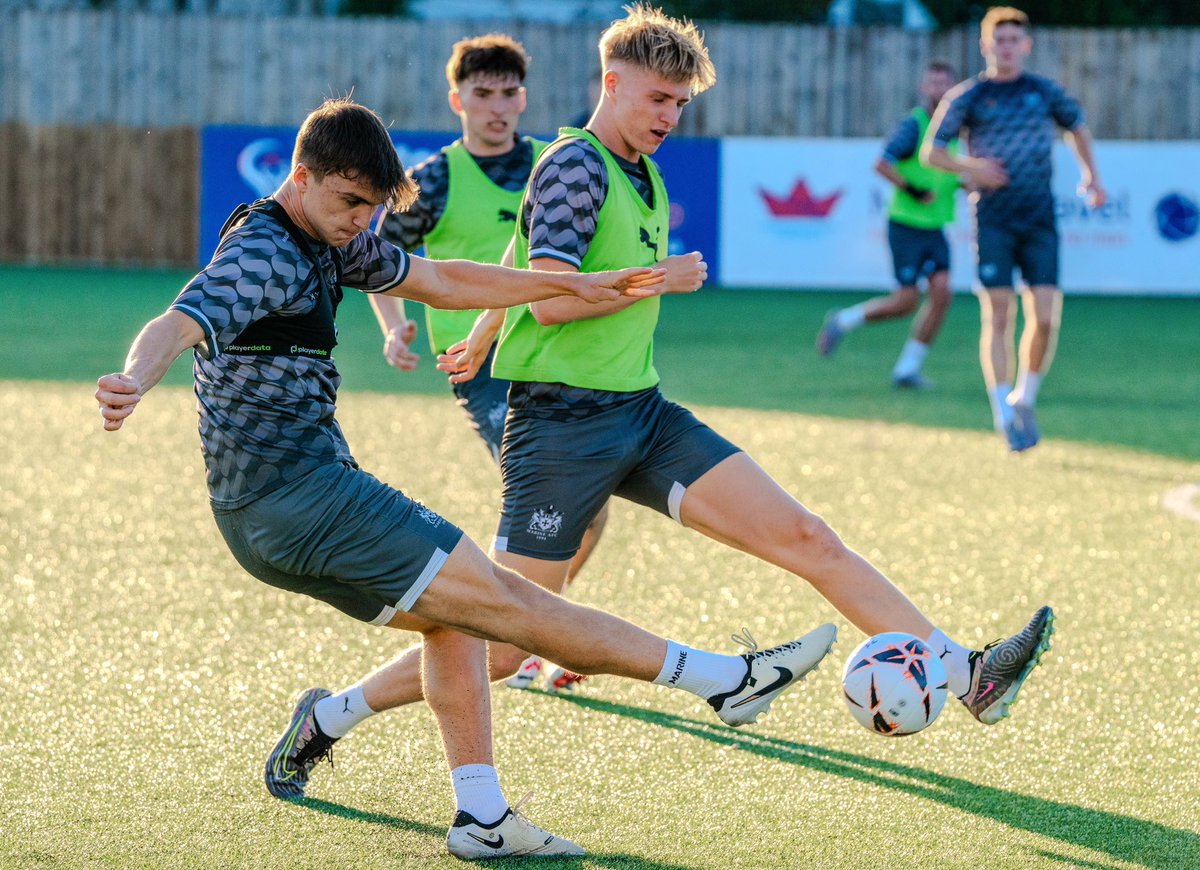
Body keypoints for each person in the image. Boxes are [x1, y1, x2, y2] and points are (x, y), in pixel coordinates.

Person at [299, 3, 1057, 774]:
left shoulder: (640, 171)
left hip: (641, 412)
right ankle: (332, 713)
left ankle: (968, 675)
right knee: (500, 642)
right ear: (612, 82)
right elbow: (553, 297)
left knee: (809, 538)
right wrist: (652, 280)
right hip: (559, 428)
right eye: (657, 98)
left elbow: (516, 250)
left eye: (680, 104)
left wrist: (484, 332)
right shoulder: (575, 164)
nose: (669, 116)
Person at [95, 96, 838, 860]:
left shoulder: (328, 239)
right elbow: (181, 319)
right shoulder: (266, 252)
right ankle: (720, 678)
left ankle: (479, 815)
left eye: (372, 207)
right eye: (350, 201)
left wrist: (576, 286)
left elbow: (442, 278)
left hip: (268, 513)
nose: (362, 220)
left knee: (453, 617)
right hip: (304, 500)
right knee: (510, 604)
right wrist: (133, 377)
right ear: (302, 174)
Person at [370, 34, 604, 694]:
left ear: (524, 98)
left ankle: (534, 633)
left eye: (509, 94)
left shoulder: (552, 166)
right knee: (549, 502)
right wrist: (396, 329)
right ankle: (521, 639)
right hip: (481, 367)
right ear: (458, 101)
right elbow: (379, 264)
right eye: (483, 95)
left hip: (553, 357)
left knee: (589, 512)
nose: (497, 108)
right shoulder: (436, 178)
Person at [923, 6, 1106, 450]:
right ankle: (1003, 412)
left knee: (1045, 318)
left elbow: (1077, 127)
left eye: (1014, 40)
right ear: (986, 45)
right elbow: (933, 152)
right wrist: (972, 166)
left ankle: (1026, 396)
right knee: (999, 315)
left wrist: (1091, 176)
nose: (1006, 47)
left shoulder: (1043, 92)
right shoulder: (967, 96)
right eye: (998, 40)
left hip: (1039, 216)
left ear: (1025, 45)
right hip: (993, 218)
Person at [817, 62, 961, 390]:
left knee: (942, 294)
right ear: (925, 89)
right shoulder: (915, 125)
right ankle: (843, 320)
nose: (939, 89)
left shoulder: (953, 129)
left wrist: (969, 182)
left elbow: (947, 173)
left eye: (945, 83)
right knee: (906, 302)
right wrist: (912, 190)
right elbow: (882, 163)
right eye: (933, 83)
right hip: (907, 225)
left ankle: (908, 369)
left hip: (936, 226)